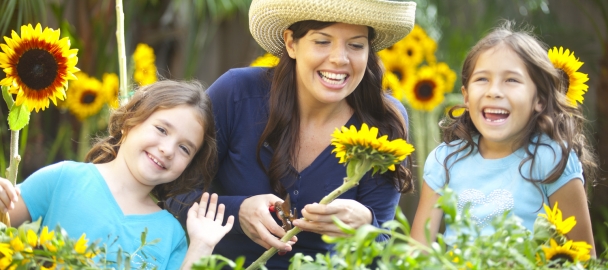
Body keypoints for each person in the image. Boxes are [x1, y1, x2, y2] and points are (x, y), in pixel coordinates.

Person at [167, 0, 417, 268]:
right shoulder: (236, 94)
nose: (339, 59)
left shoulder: (385, 120)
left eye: (356, 45)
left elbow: (380, 247)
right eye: (322, 41)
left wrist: (366, 226)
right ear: (291, 43)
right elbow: (173, 193)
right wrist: (238, 212)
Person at [0, 80, 235, 269]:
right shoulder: (64, 179)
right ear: (128, 122)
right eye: (162, 129)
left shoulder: (171, 234)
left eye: (185, 148)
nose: (167, 149)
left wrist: (201, 247)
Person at [410, 21, 597, 256]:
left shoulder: (552, 160)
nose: (494, 91)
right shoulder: (444, 160)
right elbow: (417, 253)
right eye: (482, 79)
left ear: (538, 99)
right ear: (466, 97)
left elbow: (584, 258)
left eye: (511, 80)